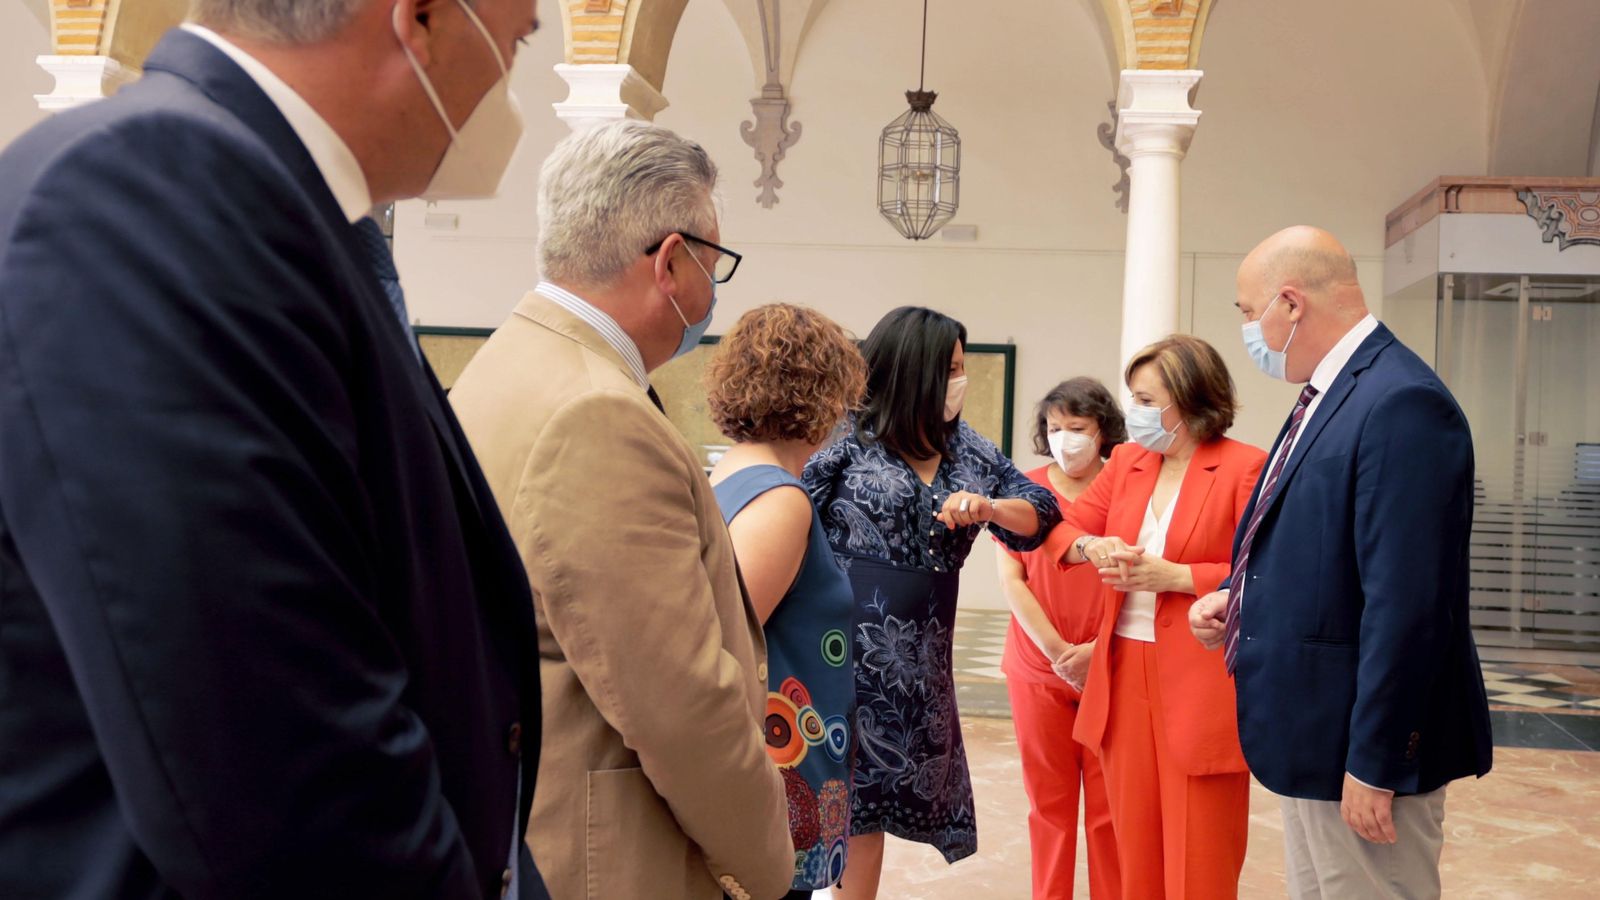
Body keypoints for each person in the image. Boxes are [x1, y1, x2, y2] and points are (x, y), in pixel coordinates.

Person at [0, 1, 546, 896]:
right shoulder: (151, 189)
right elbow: (289, 772)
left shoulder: (277, 210)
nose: (509, 82)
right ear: (421, 18)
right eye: (517, 39)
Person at [448, 120, 793, 900]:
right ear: (674, 262)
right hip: (611, 854)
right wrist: (766, 864)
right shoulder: (595, 413)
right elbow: (679, 704)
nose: (713, 294)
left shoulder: (515, 359)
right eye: (716, 264)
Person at [1189, 226, 1493, 899]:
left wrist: (1377, 761)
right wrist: (1236, 593)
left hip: (1359, 745)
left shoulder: (1402, 402)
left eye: (1247, 310)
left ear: (1289, 303)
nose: (1246, 327)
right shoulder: (1336, 391)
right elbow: (1318, 547)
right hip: (1313, 732)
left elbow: (1408, 602)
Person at [803, 306, 1062, 900]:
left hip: (920, 670)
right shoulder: (847, 436)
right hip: (840, 655)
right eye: (948, 369)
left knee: (873, 816)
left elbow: (1041, 512)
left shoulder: (967, 449)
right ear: (913, 370)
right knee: (838, 810)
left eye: (960, 369)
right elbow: (789, 511)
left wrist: (990, 508)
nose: (958, 382)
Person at [1042, 335, 1266, 900]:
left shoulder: (1245, 467)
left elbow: (1270, 571)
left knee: (1201, 858)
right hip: (1122, 672)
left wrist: (1180, 578)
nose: (1134, 414)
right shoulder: (1128, 462)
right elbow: (1064, 528)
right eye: (1133, 399)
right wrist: (1096, 549)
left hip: (1202, 677)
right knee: (1132, 850)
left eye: (1147, 401)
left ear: (1190, 399)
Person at [705, 303, 868, 898]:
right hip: (776, 779)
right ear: (823, 397)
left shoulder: (732, 473)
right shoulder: (780, 499)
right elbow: (726, 643)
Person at [995, 378, 1126, 900]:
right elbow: (1011, 580)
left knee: (1108, 808)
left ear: (1102, 432)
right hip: (1036, 667)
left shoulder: (1124, 486)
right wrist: (1057, 654)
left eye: (1078, 428)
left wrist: (1097, 652)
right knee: (1047, 807)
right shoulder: (1023, 490)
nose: (1065, 438)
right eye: (1054, 428)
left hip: (1109, 662)